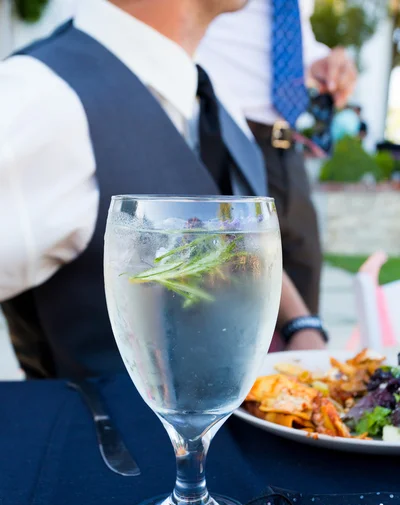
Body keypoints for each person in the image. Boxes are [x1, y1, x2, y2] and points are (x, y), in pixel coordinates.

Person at [0, 0, 322, 379]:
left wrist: (300, 324)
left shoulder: (213, 94)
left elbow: (235, 240)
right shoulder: (35, 103)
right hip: (101, 432)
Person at [197, 0, 357, 317]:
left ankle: (298, 362)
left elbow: (286, 37)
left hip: (285, 145)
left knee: (303, 268)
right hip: (222, 132)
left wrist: (318, 63)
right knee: (232, 286)